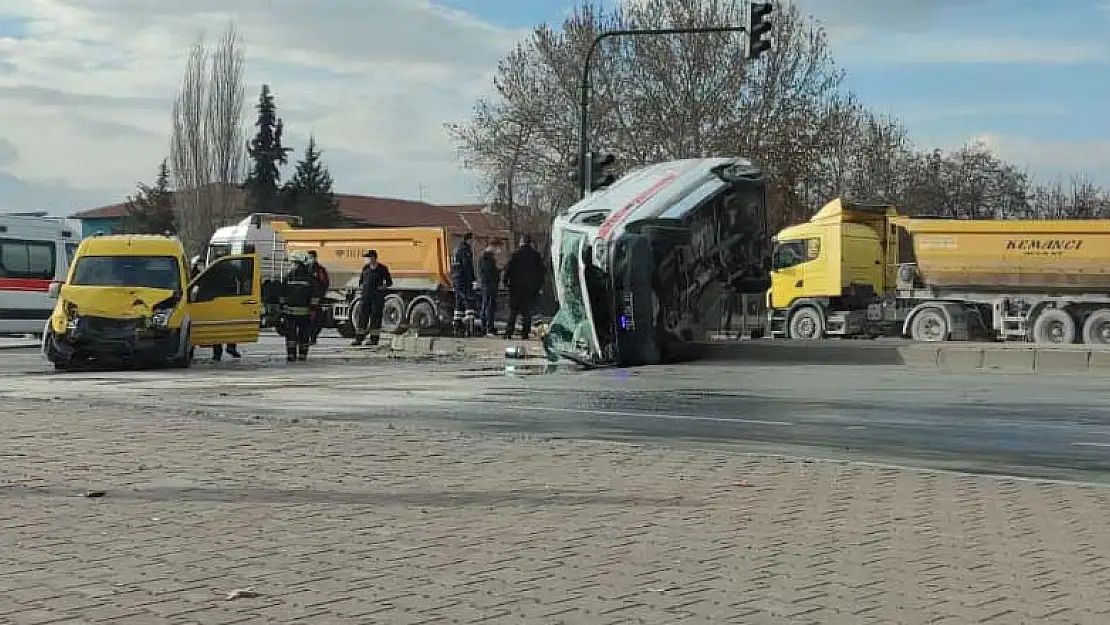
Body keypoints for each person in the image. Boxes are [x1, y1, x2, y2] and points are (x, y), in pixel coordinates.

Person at [189, 255, 241, 361]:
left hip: (219, 302)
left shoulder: (215, 272)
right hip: (223, 303)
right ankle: (228, 348)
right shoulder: (225, 271)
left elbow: (197, 281)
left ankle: (222, 351)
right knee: (225, 327)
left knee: (222, 328)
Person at [503, 234, 546, 340]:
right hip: (530, 289)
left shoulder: (515, 255)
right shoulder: (536, 256)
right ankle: (524, 334)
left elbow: (508, 269)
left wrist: (505, 282)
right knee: (527, 313)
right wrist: (539, 285)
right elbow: (542, 272)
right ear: (530, 242)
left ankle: (509, 333)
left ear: (521, 242)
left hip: (515, 288)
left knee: (513, 312)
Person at [279, 251, 319, 362]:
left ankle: (292, 355)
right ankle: (302, 355)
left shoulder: (289, 277)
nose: (291, 265)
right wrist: (313, 310)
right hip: (304, 313)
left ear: (298, 263)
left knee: (292, 335)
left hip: (292, 313)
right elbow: (315, 296)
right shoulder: (310, 278)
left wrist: (282, 308)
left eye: (293, 263)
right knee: (303, 335)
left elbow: (282, 294)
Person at [351, 249, 393, 346]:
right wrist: (361, 288)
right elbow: (361, 281)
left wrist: (383, 287)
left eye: (368, 257)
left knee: (375, 317)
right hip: (365, 297)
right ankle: (359, 339)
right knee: (362, 317)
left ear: (373, 257)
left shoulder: (382, 269)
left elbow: (389, 282)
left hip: (377, 297)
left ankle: (373, 339)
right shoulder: (365, 268)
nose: (366, 259)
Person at [450, 232, 477, 335]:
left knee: (458, 305)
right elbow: (467, 266)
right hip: (464, 280)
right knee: (468, 302)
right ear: (469, 239)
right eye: (472, 240)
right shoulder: (465, 250)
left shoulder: (456, 249)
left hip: (456, 279)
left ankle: (457, 328)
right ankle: (469, 329)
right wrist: (473, 279)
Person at [307, 250, 330, 344]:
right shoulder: (305, 268)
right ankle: (306, 337)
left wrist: (320, 294)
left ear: (314, 258)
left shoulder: (319, 269)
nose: (309, 260)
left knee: (315, 319)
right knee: (306, 319)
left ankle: (313, 338)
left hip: (316, 297)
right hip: (306, 298)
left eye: (310, 257)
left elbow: (325, 282)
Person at [478, 245, 500, 336]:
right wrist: (498, 272)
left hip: (486, 285)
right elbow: (490, 273)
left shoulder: (484, 258)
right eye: (498, 248)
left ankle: (486, 327)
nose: (499, 251)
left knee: (486, 306)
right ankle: (488, 328)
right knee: (489, 307)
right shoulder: (488, 259)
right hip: (489, 286)